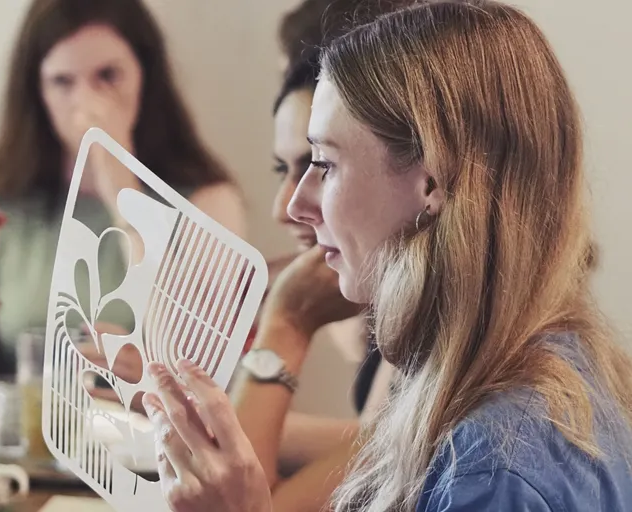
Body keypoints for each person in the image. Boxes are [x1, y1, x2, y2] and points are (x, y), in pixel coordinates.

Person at [142, 2, 632, 511]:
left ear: (431, 180)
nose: (296, 205)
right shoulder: (541, 367)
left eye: (324, 164)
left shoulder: (494, 466)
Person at [0, 0, 245, 377]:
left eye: (108, 77)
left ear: (145, 76)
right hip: (23, 429)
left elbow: (204, 365)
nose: (85, 102)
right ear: (37, 92)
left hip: (154, 430)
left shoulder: (208, 201)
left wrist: (122, 191)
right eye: (62, 82)